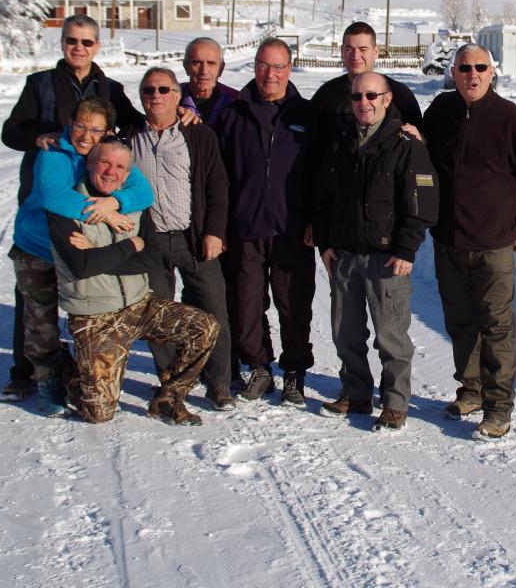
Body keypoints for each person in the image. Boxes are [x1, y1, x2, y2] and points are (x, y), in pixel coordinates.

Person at [0, 14, 143, 401]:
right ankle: (26, 371)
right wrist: (40, 136)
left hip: (88, 209)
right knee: (34, 295)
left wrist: (116, 196)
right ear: (62, 43)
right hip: (46, 195)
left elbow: (135, 125)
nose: (78, 48)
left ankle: (86, 369)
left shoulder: (109, 88)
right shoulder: (41, 85)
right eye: (71, 41)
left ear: (97, 46)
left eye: (86, 42)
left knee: (83, 290)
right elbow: (11, 131)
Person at [421, 43, 516, 440]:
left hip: (493, 244)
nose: (472, 74)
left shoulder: (511, 120)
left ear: (492, 72)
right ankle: (472, 391)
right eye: (464, 68)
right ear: (454, 72)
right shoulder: (441, 112)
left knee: (496, 326)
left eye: (480, 67)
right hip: (448, 240)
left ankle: (499, 408)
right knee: (460, 323)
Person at [48, 140, 220, 426]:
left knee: (204, 326)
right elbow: (81, 266)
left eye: (120, 167)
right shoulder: (63, 205)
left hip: (139, 306)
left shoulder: (135, 205)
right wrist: (132, 244)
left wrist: (98, 253)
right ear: (89, 163)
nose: (111, 172)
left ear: (128, 174)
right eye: (105, 163)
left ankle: (169, 398)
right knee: (99, 415)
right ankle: (65, 367)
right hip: (96, 314)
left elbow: (151, 259)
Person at [9, 97, 155, 416]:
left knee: (83, 311)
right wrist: (104, 214)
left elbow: (144, 193)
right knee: (40, 318)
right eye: (80, 126)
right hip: (38, 247)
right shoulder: (54, 152)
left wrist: (115, 202)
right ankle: (47, 377)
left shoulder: (107, 157)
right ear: (69, 123)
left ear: (106, 132)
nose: (85, 135)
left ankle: (81, 370)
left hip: (81, 247)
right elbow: (53, 197)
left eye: (95, 129)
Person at [313, 72, 437, 431]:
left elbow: (423, 202)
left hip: (387, 258)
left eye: (371, 95)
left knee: (391, 336)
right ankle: (356, 392)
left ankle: (396, 402)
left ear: (386, 99)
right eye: (356, 96)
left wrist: (407, 249)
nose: (363, 102)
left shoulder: (404, 144)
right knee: (346, 332)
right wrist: (326, 243)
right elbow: (323, 196)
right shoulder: (340, 141)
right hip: (346, 256)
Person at [121, 67, 234, 411]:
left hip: (193, 237)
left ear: (177, 95)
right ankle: (172, 384)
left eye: (164, 90)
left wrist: (214, 232)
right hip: (150, 241)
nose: (156, 96)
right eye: (148, 90)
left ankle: (219, 384)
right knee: (159, 318)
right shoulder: (126, 137)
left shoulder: (199, 136)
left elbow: (217, 186)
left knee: (214, 310)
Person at [215, 38, 317, 407]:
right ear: (254, 67)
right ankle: (259, 367)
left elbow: (320, 176)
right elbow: (220, 176)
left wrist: (314, 220)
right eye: (263, 65)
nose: (270, 74)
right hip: (246, 226)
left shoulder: (307, 115)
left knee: (294, 304)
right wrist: (221, 225)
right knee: (245, 303)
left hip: (293, 229)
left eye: (278, 67)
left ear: (290, 69)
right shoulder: (233, 114)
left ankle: (294, 373)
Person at [310, 21, 423, 151]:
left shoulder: (399, 94)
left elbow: (420, 140)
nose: (355, 56)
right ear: (342, 51)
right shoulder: (327, 94)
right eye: (349, 49)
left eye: (363, 49)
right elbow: (310, 142)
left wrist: (420, 138)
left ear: (376, 52)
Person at [178, 37, 241, 125]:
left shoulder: (237, 102)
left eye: (211, 63)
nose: (204, 71)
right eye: (197, 63)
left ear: (221, 69)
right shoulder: (168, 96)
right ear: (186, 67)